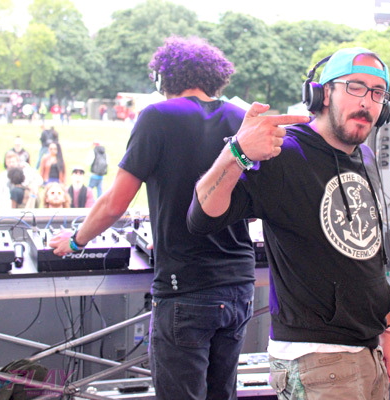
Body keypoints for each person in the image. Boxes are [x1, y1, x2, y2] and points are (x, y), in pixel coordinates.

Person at [48, 35, 282, 400]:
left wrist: (76, 241)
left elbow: (115, 203)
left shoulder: (156, 116)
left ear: (163, 77)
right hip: (238, 286)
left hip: (184, 288)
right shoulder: (241, 119)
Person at [187, 47, 390, 399]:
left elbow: (371, 254)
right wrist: (237, 152)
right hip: (318, 360)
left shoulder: (364, 156)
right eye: (355, 87)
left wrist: (388, 330)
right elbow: (202, 215)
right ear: (323, 93)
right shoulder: (284, 153)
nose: (367, 102)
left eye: (378, 93)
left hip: (369, 351)